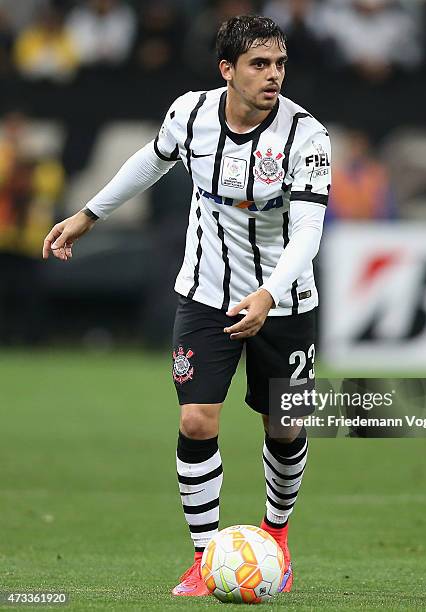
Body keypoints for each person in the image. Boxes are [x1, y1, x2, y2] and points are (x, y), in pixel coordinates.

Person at [42, 15, 331, 597]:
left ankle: (277, 536)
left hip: (286, 300)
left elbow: (308, 229)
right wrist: (87, 215)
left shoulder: (307, 137)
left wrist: (269, 293)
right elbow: (150, 161)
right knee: (197, 420)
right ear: (227, 69)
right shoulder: (190, 114)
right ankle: (205, 559)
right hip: (205, 293)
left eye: (278, 64)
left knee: (286, 425)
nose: (273, 75)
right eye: (258, 64)